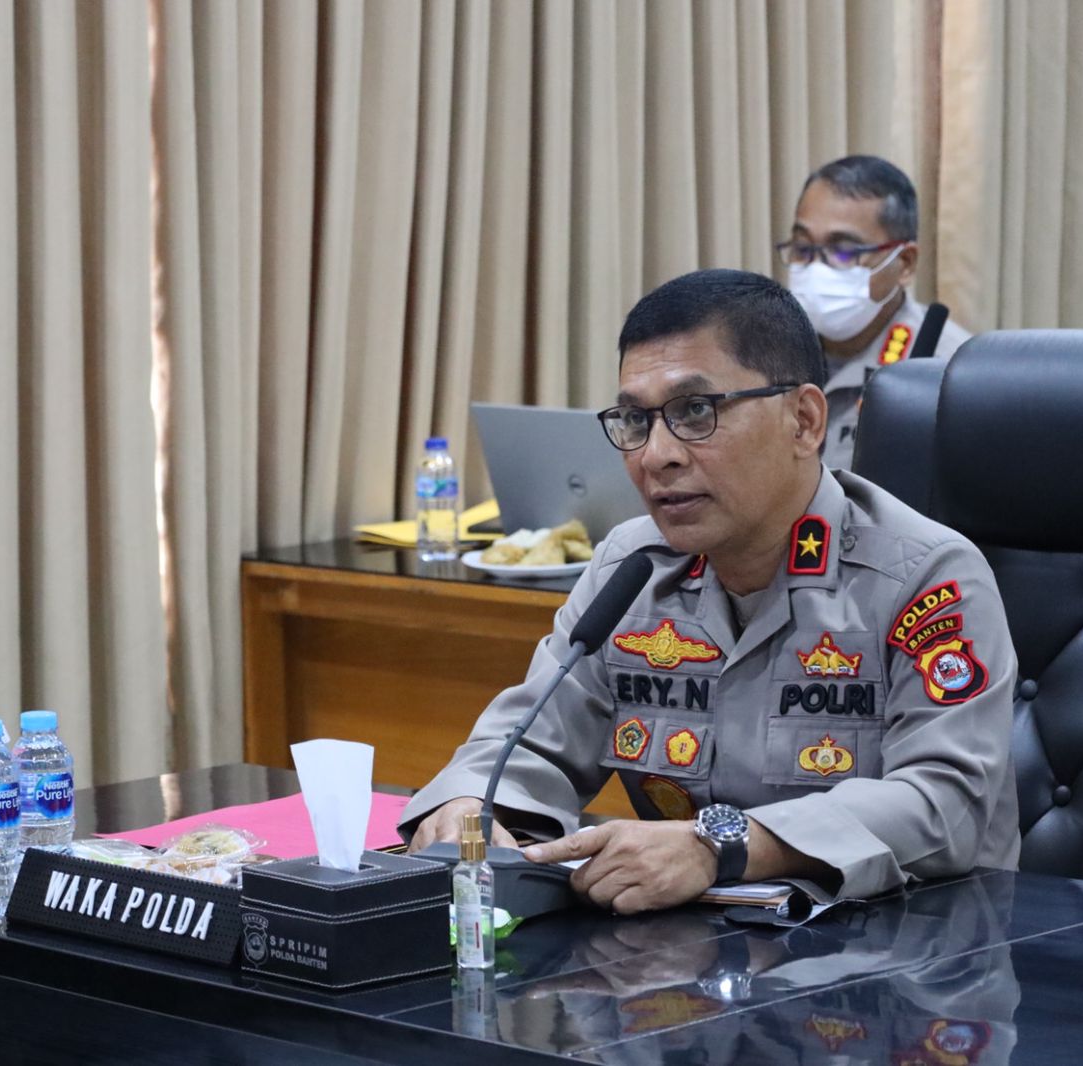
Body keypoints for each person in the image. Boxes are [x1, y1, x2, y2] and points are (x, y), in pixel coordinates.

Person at [400, 269, 1019, 913]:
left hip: (915, 946)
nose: (656, 455)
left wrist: (721, 844)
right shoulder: (631, 568)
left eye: (695, 411)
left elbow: (944, 802)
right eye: (635, 420)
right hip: (689, 952)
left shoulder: (925, 577)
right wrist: (470, 802)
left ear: (804, 421)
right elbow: (528, 744)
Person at [779, 155, 971, 461]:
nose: (817, 268)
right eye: (803, 248)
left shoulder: (951, 373)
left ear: (904, 263)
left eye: (843, 251)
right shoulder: (770, 353)